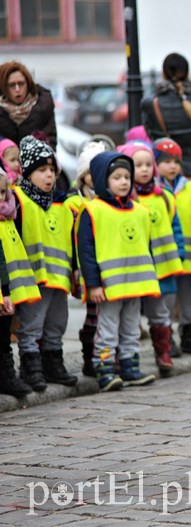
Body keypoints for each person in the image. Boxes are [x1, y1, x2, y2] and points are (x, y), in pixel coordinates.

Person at [76, 151, 159, 391]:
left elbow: (146, 248)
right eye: (117, 177)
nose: (124, 182)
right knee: (108, 328)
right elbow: (87, 251)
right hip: (109, 286)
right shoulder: (93, 211)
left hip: (135, 284)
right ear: (103, 181)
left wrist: (149, 280)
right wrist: (93, 284)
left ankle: (130, 366)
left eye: (126, 177)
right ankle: (104, 369)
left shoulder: (141, 211)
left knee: (132, 327)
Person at [13, 136, 77, 391]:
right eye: (42, 170)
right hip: (32, 278)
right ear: (28, 173)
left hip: (58, 277)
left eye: (52, 170)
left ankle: (53, 362)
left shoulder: (60, 205)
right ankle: (31, 365)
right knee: (32, 325)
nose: (49, 176)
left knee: (57, 322)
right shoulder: (18, 200)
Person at [117, 142, 185, 375]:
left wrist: (180, 252)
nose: (144, 170)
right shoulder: (127, 200)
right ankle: (125, 356)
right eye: (138, 165)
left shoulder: (165, 197)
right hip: (135, 268)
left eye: (148, 165)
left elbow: (176, 227)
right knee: (130, 314)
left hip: (162, 266)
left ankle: (163, 352)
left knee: (160, 311)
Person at [153, 138, 191, 355]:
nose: (172, 166)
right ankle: (166, 338)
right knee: (167, 299)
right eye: (166, 161)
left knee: (190, 297)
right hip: (166, 255)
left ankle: (190, 333)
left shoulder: (189, 188)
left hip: (187, 255)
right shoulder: (154, 190)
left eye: (175, 161)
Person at [64, 140, 109, 377]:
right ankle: (89, 357)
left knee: (108, 315)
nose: (94, 177)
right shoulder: (74, 203)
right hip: (86, 266)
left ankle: (107, 356)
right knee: (93, 313)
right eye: (89, 172)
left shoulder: (109, 201)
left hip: (109, 266)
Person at [0, 165, 38, 397]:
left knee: (4, 336)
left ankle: (6, 376)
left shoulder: (8, 218)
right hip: (4, 291)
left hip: (8, 291)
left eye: (3, 193)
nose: (1, 198)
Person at [141, 53, 191, 178]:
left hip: (162, 171)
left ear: (163, 73)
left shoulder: (150, 105)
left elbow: (150, 135)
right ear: (187, 73)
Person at [0, 61, 57, 149]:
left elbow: (51, 140)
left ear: (28, 83)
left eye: (21, 83)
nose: (17, 89)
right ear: (4, 87)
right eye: (12, 85)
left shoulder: (44, 104)